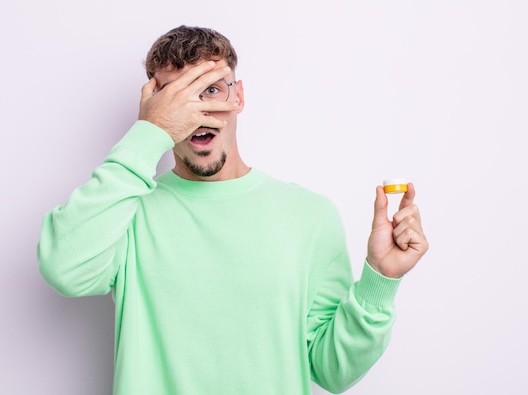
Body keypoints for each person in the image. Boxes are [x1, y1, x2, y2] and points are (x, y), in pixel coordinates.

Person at [37, 25, 428, 395]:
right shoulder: (126, 214)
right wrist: (148, 134)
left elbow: (331, 370)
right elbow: (64, 269)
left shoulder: (309, 216)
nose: (197, 114)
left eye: (210, 90)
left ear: (238, 96)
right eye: (177, 98)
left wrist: (380, 281)